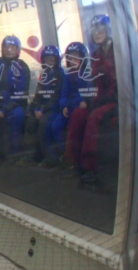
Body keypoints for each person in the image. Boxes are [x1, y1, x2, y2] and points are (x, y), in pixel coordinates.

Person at [75, 15, 118, 184]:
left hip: (118, 100)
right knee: (79, 113)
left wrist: (100, 101)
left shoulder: (119, 50)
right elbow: (93, 81)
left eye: (101, 29)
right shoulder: (96, 54)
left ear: (109, 30)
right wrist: (88, 98)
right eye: (95, 30)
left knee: (94, 117)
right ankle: (74, 160)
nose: (98, 33)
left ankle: (91, 167)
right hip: (102, 99)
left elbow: (120, 81)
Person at [18, 46, 64, 168]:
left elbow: (56, 97)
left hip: (54, 108)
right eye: (46, 58)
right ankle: (34, 155)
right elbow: (38, 95)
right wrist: (35, 109)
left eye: (52, 58)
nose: (49, 61)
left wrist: (43, 110)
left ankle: (51, 158)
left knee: (44, 124)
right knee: (30, 122)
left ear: (57, 59)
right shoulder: (44, 75)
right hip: (42, 108)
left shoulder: (61, 75)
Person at [0, 36, 31, 161]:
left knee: (18, 116)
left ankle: (15, 154)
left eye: (13, 47)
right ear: (2, 49)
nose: (9, 50)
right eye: (6, 46)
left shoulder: (22, 67)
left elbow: (21, 94)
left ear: (18, 50)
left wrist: (4, 110)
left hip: (14, 106)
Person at [59, 42, 93, 177]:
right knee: (55, 126)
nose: (73, 61)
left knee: (75, 126)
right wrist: (65, 106)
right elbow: (64, 94)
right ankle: (63, 156)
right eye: (70, 58)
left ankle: (72, 160)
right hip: (70, 108)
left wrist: (85, 101)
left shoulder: (89, 73)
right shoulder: (68, 76)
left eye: (77, 57)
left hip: (81, 109)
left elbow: (90, 92)